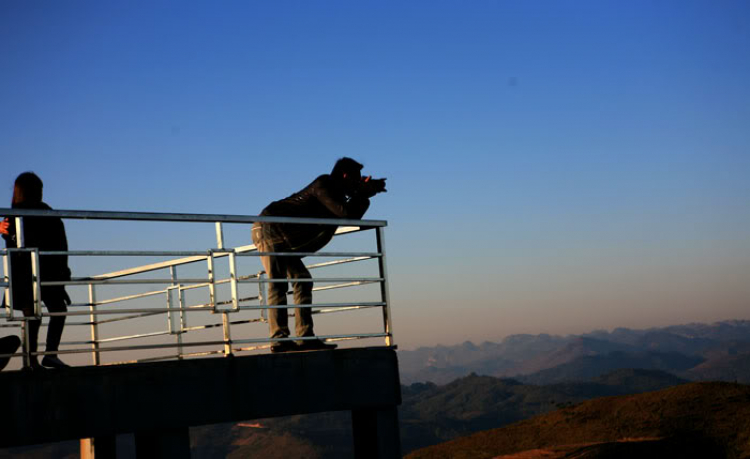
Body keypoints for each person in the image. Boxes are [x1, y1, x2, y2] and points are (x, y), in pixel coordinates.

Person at [251, 158, 387, 353]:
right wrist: (361, 193)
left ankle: (305, 337)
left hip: (286, 235)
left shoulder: (338, 191)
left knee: (302, 280)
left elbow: (351, 215)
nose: (356, 184)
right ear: (345, 175)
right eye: (355, 180)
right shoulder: (324, 184)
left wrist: (364, 195)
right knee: (278, 284)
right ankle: (279, 340)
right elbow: (345, 214)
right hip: (271, 228)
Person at [0, 172, 71, 369]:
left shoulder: (13, 213)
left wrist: (3, 231)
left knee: (33, 316)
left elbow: (12, 244)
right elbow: (61, 245)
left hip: (26, 274)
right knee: (57, 310)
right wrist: (63, 275)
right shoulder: (46, 213)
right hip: (47, 272)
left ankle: (32, 360)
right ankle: (48, 355)